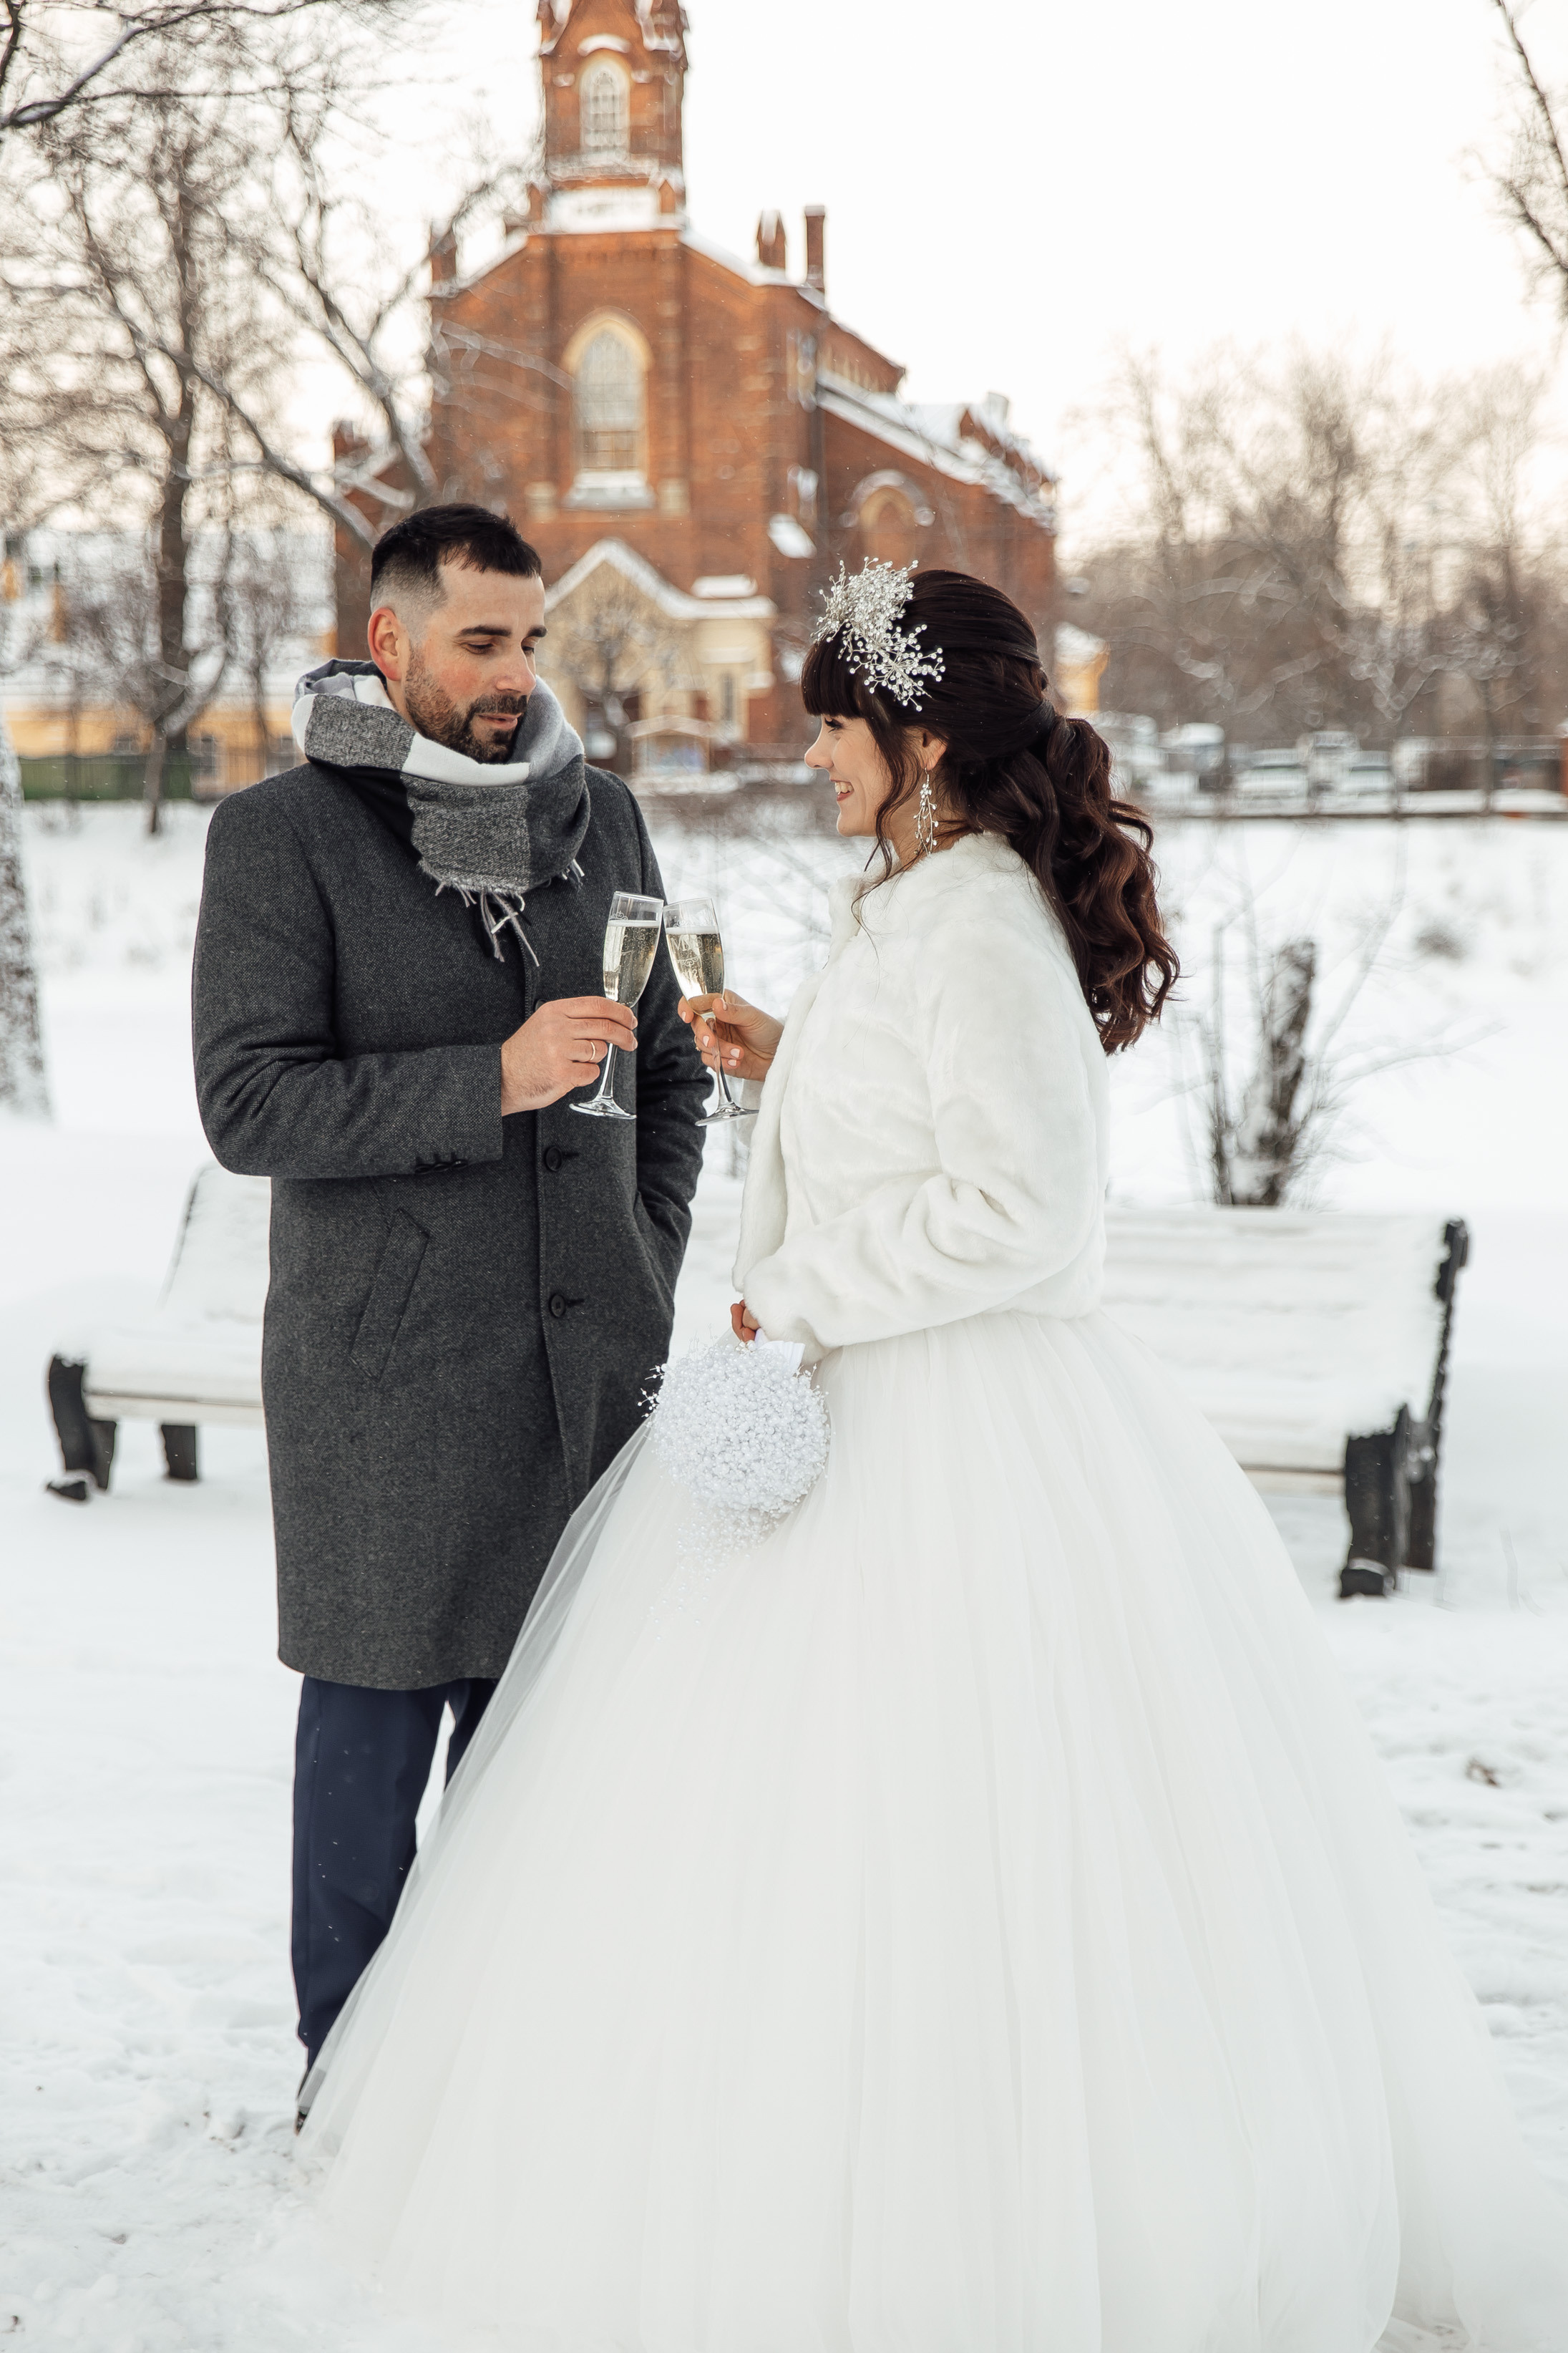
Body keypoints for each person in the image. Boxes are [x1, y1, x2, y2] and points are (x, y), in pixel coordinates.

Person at [296, 563, 1568, 2352]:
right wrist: (790, 1061)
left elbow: (1029, 1217)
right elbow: (933, 1121)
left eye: (830, 723)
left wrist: (790, 1294)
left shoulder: (975, 919)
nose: (808, 753)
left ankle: (974, 2224)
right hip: (868, 1406)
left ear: (923, 737)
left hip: (958, 1443)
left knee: (960, 1836)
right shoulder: (921, 896)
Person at [190, 504, 708, 2084]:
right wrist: (486, 1078)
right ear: (393, 642)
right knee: (365, 1779)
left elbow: (664, 1073)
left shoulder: (597, 817)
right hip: (387, 1389)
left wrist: (647, 1257)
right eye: (481, 642)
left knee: (546, 1770)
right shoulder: (285, 836)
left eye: (529, 640)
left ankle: (511, 2103)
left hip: (579, 1377)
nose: (513, 675)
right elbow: (252, 1104)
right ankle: (350, 2094)